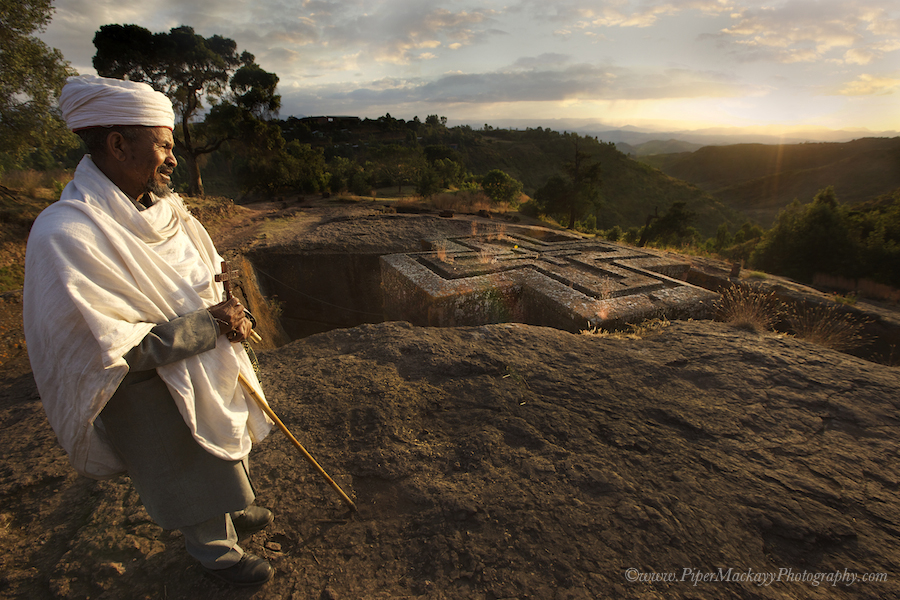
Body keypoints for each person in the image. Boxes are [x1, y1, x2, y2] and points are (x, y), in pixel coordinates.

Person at [24, 75, 276, 586]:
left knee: (225, 446)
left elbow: (202, 279)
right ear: (118, 145)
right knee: (189, 468)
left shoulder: (164, 210)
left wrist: (229, 311)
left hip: (205, 354)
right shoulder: (68, 234)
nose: (173, 157)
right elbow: (107, 345)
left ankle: (235, 508)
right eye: (163, 144)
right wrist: (211, 324)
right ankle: (217, 554)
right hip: (145, 387)